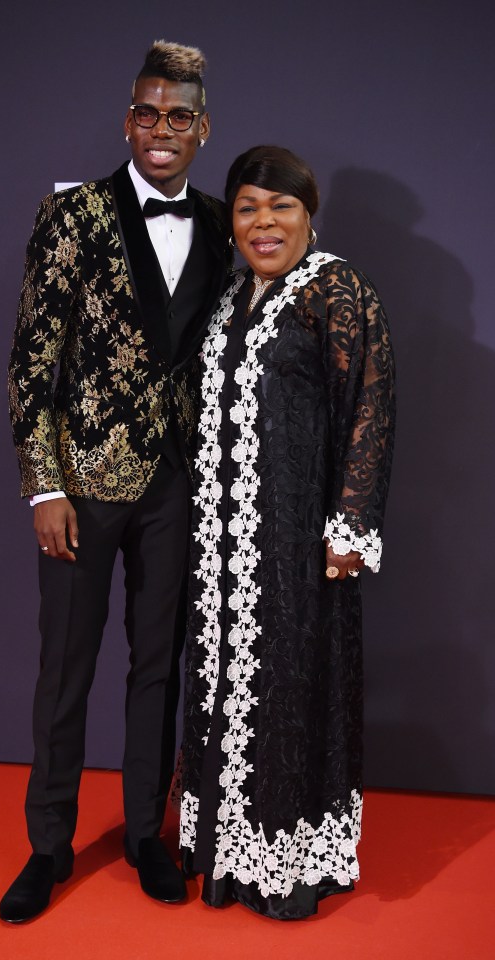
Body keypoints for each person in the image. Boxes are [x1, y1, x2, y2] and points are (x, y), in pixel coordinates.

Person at [1, 41, 231, 924]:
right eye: (145, 113)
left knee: (158, 667)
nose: (160, 129)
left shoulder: (216, 222)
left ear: (201, 128)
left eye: (178, 116)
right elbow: (30, 363)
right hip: (82, 486)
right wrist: (42, 486)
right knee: (65, 668)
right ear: (127, 119)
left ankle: (145, 834)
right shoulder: (72, 217)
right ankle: (48, 845)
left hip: (175, 484)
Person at [178, 145, 396, 920]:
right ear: (231, 220)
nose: (262, 223)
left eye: (280, 207)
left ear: (308, 213)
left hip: (297, 542)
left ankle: (286, 862)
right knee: (227, 689)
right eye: (246, 208)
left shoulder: (335, 289)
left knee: (292, 690)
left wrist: (349, 526)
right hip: (221, 548)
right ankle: (227, 854)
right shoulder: (234, 294)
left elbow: (369, 404)